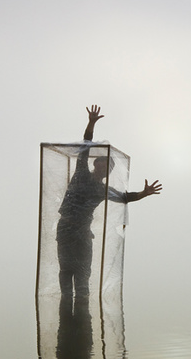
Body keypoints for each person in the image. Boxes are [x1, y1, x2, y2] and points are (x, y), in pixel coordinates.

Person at [57, 105, 161, 298]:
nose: (103, 168)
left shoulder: (103, 190)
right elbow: (85, 147)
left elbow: (124, 197)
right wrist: (91, 123)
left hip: (83, 233)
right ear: (94, 165)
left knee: (82, 275)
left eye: (107, 167)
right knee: (65, 271)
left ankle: (82, 317)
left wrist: (144, 193)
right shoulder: (81, 173)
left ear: (109, 172)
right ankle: (65, 311)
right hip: (65, 229)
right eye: (101, 164)